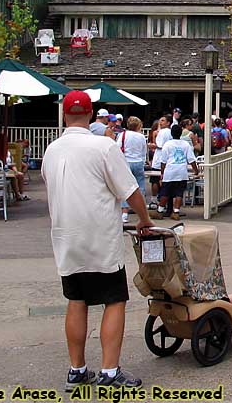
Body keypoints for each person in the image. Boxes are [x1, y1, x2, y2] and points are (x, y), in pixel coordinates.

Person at [42, 91, 154, 390]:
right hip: (100, 237)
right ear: (91, 114)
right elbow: (130, 191)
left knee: (76, 300)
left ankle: (77, 369)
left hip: (66, 237)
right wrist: (144, 219)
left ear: (65, 115)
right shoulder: (103, 146)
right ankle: (109, 371)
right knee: (113, 300)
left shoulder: (51, 150)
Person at [151, 124, 199, 221]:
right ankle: (176, 212)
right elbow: (191, 159)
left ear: (171, 134)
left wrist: (162, 174)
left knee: (165, 192)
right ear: (181, 133)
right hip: (182, 172)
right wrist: (196, 170)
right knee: (179, 193)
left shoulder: (167, 145)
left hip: (170, 171)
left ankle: (160, 211)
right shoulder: (185, 144)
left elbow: (163, 162)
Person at [117, 116, 147, 223]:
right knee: (140, 187)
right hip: (138, 162)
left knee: (126, 187)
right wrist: (143, 162)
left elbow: (118, 148)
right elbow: (144, 151)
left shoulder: (123, 135)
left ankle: (124, 213)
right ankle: (142, 213)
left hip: (126, 162)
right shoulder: (141, 137)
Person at [0, 123, 27, 201]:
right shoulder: (3, 138)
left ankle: (18, 194)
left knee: (13, 174)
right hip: (2, 165)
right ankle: (18, 194)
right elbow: (5, 150)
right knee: (13, 176)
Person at [149, 115, 172, 209]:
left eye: (163, 120)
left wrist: (151, 145)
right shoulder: (170, 132)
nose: (160, 122)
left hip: (159, 159)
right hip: (168, 159)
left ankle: (154, 200)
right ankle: (164, 200)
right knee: (164, 180)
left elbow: (159, 145)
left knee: (155, 180)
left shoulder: (162, 132)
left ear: (168, 123)